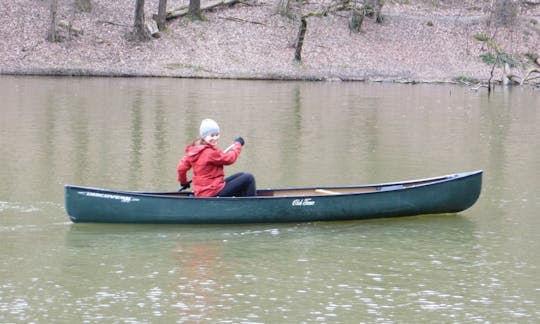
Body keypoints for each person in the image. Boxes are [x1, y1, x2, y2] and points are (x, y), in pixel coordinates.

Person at [177, 118, 256, 197]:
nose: (215, 138)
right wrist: (237, 145)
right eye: (212, 135)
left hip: (203, 191)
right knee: (249, 178)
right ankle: (252, 206)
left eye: (217, 135)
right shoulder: (210, 153)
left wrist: (183, 182)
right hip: (212, 193)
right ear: (204, 137)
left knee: (242, 175)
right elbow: (230, 159)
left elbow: (181, 168)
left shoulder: (193, 150)